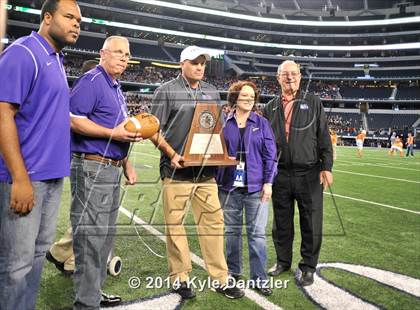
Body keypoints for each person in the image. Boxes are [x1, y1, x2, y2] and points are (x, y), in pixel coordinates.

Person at [0, 1, 81, 309]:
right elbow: (3, 113)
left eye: (79, 20)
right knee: (15, 265)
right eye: (69, 16)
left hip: (50, 177)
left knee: (35, 258)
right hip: (24, 178)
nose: (76, 24)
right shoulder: (24, 52)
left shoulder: (55, 58)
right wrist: (19, 177)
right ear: (48, 18)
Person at [150, 45, 244, 299]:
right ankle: (180, 277)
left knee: (214, 225)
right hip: (176, 171)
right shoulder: (166, 91)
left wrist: (224, 154)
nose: (200, 67)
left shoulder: (212, 92)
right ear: (182, 64)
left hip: (205, 174)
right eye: (194, 62)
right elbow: (153, 130)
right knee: (176, 226)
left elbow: (215, 131)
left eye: (202, 63)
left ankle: (221, 278)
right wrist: (172, 154)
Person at [69, 36, 140, 309]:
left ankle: (93, 295)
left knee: (104, 238)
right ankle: (86, 304)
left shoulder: (115, 86)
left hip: (109, 167)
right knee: (90, 238)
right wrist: (114, 133)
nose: (124, 57)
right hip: (92, 167)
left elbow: (120, 130)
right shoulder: (92, 81)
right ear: (103, 53)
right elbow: (73, 119)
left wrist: (126, 162)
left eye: (127, 54)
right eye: (119, 52)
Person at [263, 60, 333, 286]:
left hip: (309, 173)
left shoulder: (313, 102)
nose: (290, 78)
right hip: (280, 174)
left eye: (293, 74)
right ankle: (283, 261)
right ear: (278, 78)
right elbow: (264, 143)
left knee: (311, 222)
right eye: (285, 74)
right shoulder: (270, 106)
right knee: (281, 223)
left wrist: (326, 167)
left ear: (300, 77)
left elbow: (323, 136)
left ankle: (308, 266)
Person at [217, 81, 277, 296]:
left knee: (257, 235)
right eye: (244, 96)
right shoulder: (223, 123)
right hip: (228, 188)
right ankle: (233, 273)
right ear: (235, 98)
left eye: (252, 96)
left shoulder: (262, 123)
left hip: (255, 188)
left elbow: (271, 156)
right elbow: (214, 153)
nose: (249, 99)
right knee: (231, 233)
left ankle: (259, 278)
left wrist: (268, 183)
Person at [46, 59, 98, 277]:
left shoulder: (77, 93)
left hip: (74, 158)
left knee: (88, 214)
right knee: (89, 215)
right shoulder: (83, 95)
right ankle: (65, 256)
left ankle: (65, 256)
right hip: (83, 159)